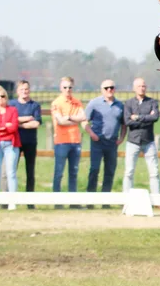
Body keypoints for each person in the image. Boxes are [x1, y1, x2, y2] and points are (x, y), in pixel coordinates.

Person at [84, 79, 126, 200]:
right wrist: (92, 134)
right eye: (106, 88)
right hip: (97, 141)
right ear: (102, 90)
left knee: (110, 171)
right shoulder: (94, 103)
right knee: (94, 169)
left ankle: (105, 200)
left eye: (111, 87)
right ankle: (90, 200)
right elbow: (84, 121)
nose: (109, 90)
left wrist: (121, 138)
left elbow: (124, 124)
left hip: (112, 142)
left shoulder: (119, 105)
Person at [51, 76, 86, 206]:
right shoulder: (56, 103)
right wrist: (75, 119)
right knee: (59, 173)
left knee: (74, 172)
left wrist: (70, 117)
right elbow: (60, 121)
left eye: (70, 87)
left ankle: (73, 202)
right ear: (61, 88)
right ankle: (57, 202)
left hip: (75, 141)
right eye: (65, 87)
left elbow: (83, 117)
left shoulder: (77, 102)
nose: (67, 90)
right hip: (61, 142)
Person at [123, 78, 160, 195]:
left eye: (143, 86)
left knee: (154, 172)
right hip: (132, 141)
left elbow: (155, 118)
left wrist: (137, 117)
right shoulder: (128, 103)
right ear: (134, 88)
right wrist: (146, 118)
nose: (142, 88)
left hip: (148, 141)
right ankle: (126, 197)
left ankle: (157, 199)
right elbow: (127, 122)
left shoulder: (152, 102)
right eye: (139, 86)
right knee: (129, 171)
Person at [9, 80, 41, 207]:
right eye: (22, 89)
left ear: (29, 90)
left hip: (30, 142)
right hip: (15, 141)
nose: (24, 92)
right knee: (12, 171)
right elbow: (10, 121)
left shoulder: (35, 105)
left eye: (26, 89)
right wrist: (27, 118)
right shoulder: (12, 105)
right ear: (17, 91)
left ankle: (29, 201)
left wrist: (17, 123)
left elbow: (36, 123)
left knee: (30, 171)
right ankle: (11, 200)